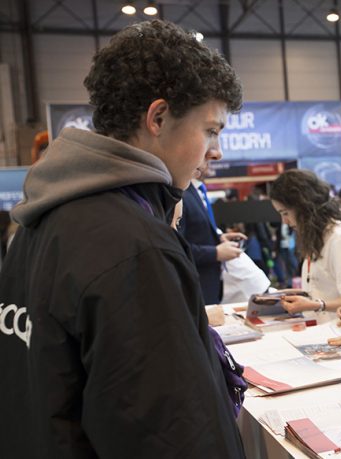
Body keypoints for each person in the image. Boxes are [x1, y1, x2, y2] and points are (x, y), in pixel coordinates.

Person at [0, 19, 245, 457]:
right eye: (210, 130)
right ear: (158, 117)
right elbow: (174, 434)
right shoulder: (134, 247)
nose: (217, 151)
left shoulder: (38, 224)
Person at [269, 169, 341, 314]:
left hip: (337, 332)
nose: (285, 221)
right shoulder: (315, 236)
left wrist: (316, 305)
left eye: (285, 213)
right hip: (318, 329)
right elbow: (323, 288)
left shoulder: (340, 238)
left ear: (303, 206)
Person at [181, 173, 246, 304]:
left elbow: (195, 233)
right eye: (207, 153)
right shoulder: (181, 194)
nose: (216, 155)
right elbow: (177, 246)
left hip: (210, 284)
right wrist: (215, 253)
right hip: (196, 286)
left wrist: (219, 238)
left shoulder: (196, 191)